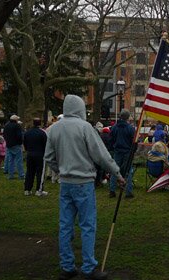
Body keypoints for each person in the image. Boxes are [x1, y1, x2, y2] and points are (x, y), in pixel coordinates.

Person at [44, 95, 125, 280]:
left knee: (65, 226)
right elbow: (101, 156)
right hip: (84, 184)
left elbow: (48, 158)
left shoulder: (54, 129)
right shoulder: (84, 127)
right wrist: (117, 174)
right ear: (80, 108)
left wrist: (62, 170)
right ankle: (88, 268)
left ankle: (67, 267)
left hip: (65, 184)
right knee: (87, 226)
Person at [109, 109, 135, 199]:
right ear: (127, 117)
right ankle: (128, 192)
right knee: (128, 171)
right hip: (127, 152)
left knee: (114, 171)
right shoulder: (130, 128)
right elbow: (133, 141)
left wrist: (114, 146)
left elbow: (111, 139)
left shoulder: (114, 127)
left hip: (117, 151)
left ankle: (112, 190)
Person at [23, 118, 48, 196]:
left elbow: (25, 143)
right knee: (40, 172)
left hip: (30, 153)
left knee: (29, 172)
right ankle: (39, 190)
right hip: (40, 154)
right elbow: (45, 145)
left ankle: (27, 189)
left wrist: (28, 150)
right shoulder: (42, 133)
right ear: (40, 124)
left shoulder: (27, 133)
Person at [4, 115, 25, 179]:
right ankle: (21, 175)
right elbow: (19, 136)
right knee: (19, 160)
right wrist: (20, 142)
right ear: (15, 120)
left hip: (9, 145)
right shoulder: (17, 126)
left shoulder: (6, 125)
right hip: (16, 144)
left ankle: (11, 175)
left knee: (11, 161)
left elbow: (4, 135)